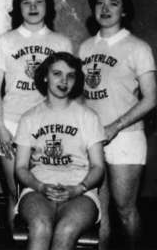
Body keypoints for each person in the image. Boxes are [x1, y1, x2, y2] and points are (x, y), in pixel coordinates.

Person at [78, 0, 157, 250]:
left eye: (113, 3)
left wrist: (115, 126)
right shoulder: (86, 47)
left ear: (124, 11)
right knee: (98, 209)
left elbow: (150, 99)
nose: (105, 8)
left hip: (126, 138)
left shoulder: (138, 47)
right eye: (100, 2)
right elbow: (81, 97)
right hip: (94, 139)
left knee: (125, 209)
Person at [0, 0, 73, 230]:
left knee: (47, 195)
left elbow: (71, 90)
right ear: (18, 7)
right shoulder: (5, 41)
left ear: (48, 6)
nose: (33, 7)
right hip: (12, 122)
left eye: (39, 1)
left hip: (49, 126)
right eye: (26, 2)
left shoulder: (61, 42)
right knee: (15, 193)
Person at [15, 52, 105, 250]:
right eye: (57, 73)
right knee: (40, 226)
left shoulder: (88, 117)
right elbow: (21, 168)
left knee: (66, 228)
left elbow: (98, 166)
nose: (64, 81)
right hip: (38, 188)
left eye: (70, 76)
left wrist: (78, 188)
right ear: (46, 76)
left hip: (81, 190)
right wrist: (39, 186)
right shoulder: (29, 118)